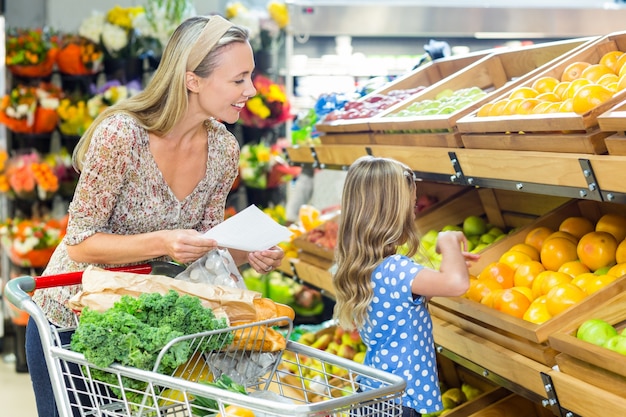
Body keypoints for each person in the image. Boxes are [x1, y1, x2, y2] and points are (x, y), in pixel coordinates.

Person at [26, 15, 284, 417]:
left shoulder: (223, 150)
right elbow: (80, 245)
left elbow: (200, 251)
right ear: (192, 80)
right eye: (239, 79)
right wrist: (163, 242)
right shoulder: (122, 136)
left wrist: (246, 252)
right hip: (73, 318)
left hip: (148, 325)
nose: (251, 90)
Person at [332, 155, 479, 417]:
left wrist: (452, 262)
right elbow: (456, 285)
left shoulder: (366, 266)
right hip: (399, 403)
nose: (414, 214)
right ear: (391, 212)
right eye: (411, 208)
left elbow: (407, 305)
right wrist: (447, 241)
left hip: (375, 398)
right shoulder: (396, 268)